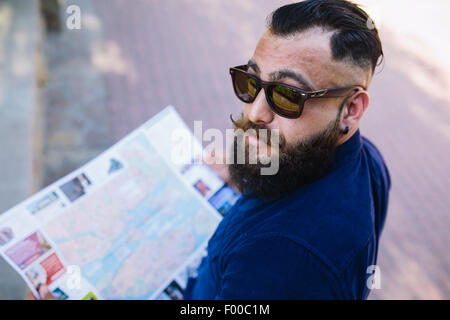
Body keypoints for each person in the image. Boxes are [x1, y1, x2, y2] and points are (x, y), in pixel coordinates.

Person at [183, 0, 391, 299]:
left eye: (287, 95)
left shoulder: (278, 260)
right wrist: (242, 169)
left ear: (350, 110)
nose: (256, 112)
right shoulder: (368, 160)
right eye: (250, 81)